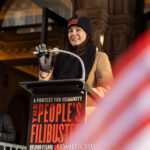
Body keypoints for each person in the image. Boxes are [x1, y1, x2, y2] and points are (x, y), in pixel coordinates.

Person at [36, 16, 113, 115]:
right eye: (70, 31)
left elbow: (107, 90)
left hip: (86, 119)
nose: (73, 34)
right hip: (60, 116)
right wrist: (44, 72)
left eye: (78, 30)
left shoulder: (99, 57)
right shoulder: (62, 57)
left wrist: (81, 92)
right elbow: (51, 88)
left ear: (87, 33)